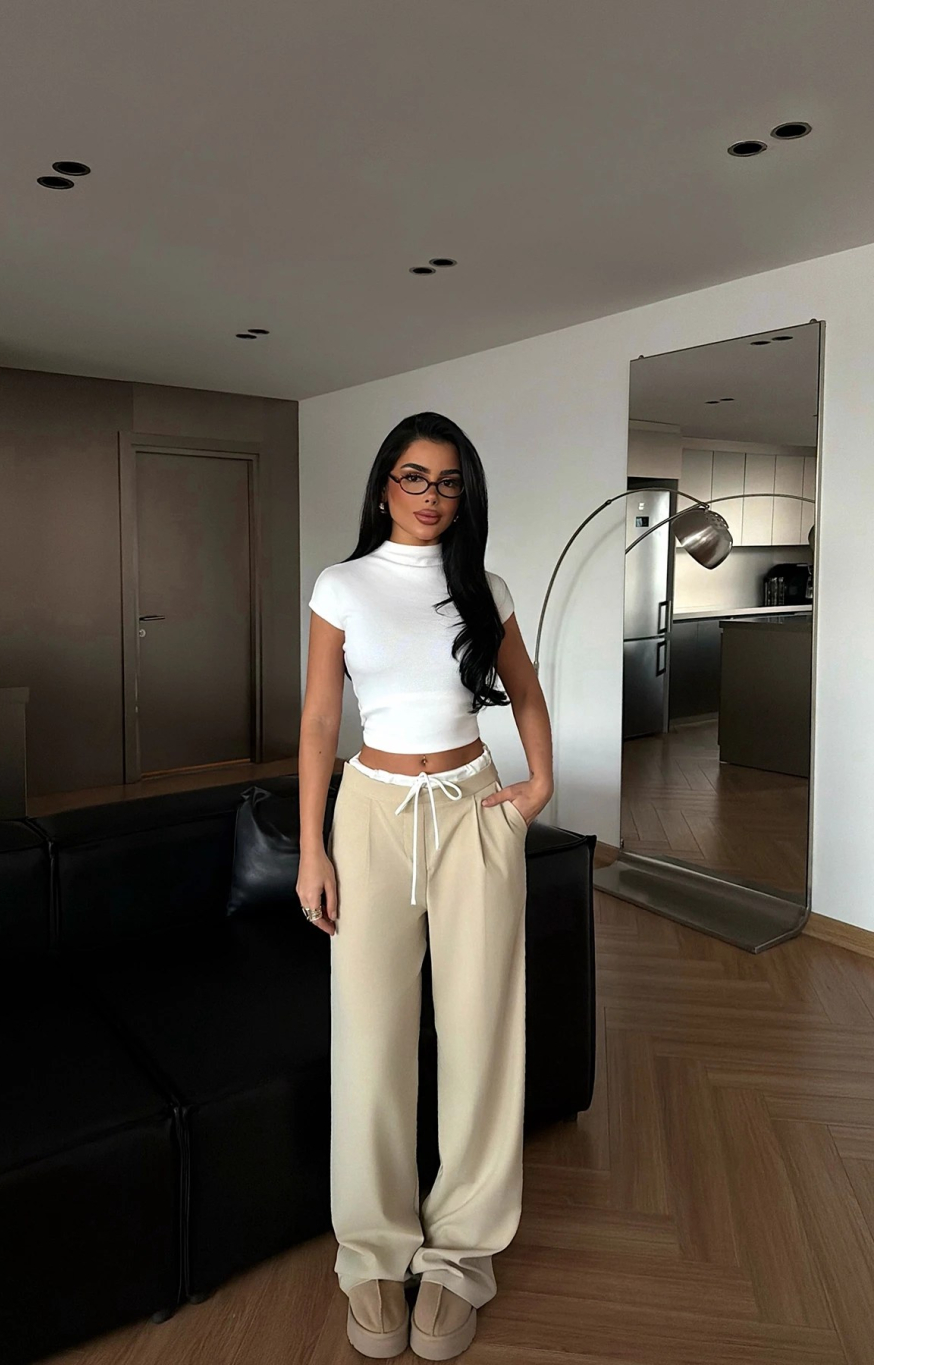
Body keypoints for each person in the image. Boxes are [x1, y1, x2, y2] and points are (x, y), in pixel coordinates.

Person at [298, 411, 554, 1360]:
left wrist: (537, 785)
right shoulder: (342, 585)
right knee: (369, 1035)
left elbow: (524, 691)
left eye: (448, 481)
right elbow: (320, 719)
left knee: (482, 1032)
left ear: (464, 493)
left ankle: (460, 1256)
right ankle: (372, 1250)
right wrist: (313, 847)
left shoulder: (486, 586)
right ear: (384, 487)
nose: (431, 495)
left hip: (474, 810)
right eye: (414, 476)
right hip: (370, 814)